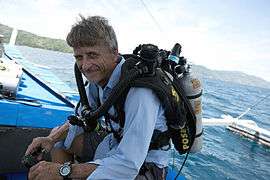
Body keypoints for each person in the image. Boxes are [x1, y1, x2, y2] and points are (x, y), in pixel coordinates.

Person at [25, 15, 169, 180]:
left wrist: (62, 171)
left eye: (92, 55)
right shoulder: (98, 78)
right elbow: (80, 118)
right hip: (113, 143)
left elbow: (128, 165)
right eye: (79, 57)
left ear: (114, 53)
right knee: (58, 141)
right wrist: (50, 139)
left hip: (143, 165)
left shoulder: (140, 92)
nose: (85, 66)